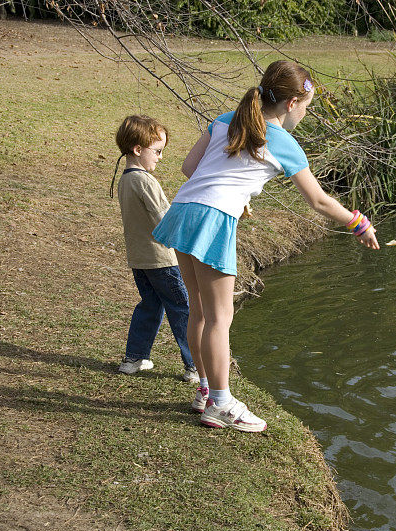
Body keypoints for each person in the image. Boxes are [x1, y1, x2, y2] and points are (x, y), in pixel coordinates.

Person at [153, 60, 379, 433]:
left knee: (200, 310)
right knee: (220, 319)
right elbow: (319, 201)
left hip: (184, 209)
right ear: (292, 103)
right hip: (212, 220)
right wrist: (359, 223)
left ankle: (206, 390)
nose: (304, 114)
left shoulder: (227, 118)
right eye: (306, 107)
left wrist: (236, 192)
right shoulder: (285, 144)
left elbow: (190, 168)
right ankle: (222, 404)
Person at [114, 115, 198, 383]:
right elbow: (165, 219)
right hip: (162, 260)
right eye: (158, 151)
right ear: (138, 150)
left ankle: (134, 358)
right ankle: (195, 364)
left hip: (139, 259)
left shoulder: (125, 180)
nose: (160, 158)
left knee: (150, 304)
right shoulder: (145, 181)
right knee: (182, 308)